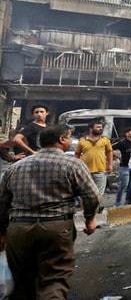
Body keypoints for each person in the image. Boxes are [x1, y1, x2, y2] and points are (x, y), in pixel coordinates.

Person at [0, 124, 100, 299]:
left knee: (22, 283)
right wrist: (90, 219)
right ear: (62, 139)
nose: (71, 142)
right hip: (56, 227)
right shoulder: (73, 164)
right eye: (69, 137)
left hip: (18, 229)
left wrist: (2, 232)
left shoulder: (16, 167)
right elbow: (92, 196)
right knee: (54, 279)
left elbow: (2, 202)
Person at [74, 118, 113, 195]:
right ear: (91, 128)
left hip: (101, 170)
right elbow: (77, 154)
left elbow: (109, 152)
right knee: (86, 193)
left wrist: (110, 165)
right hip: (85, 171)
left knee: (99, 194)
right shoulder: (82, 140)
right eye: (98, 127)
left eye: (101, 127)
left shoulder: (105, 140)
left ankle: (96, 207)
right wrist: (76, 167)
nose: (100, 128)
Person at [113, 128, 131, 207]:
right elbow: (110, 148)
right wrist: (115, 155)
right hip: (124, 167)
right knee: (123, 185)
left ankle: (128, 202)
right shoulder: (122, 143)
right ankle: (117, 202)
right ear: (127, 134)